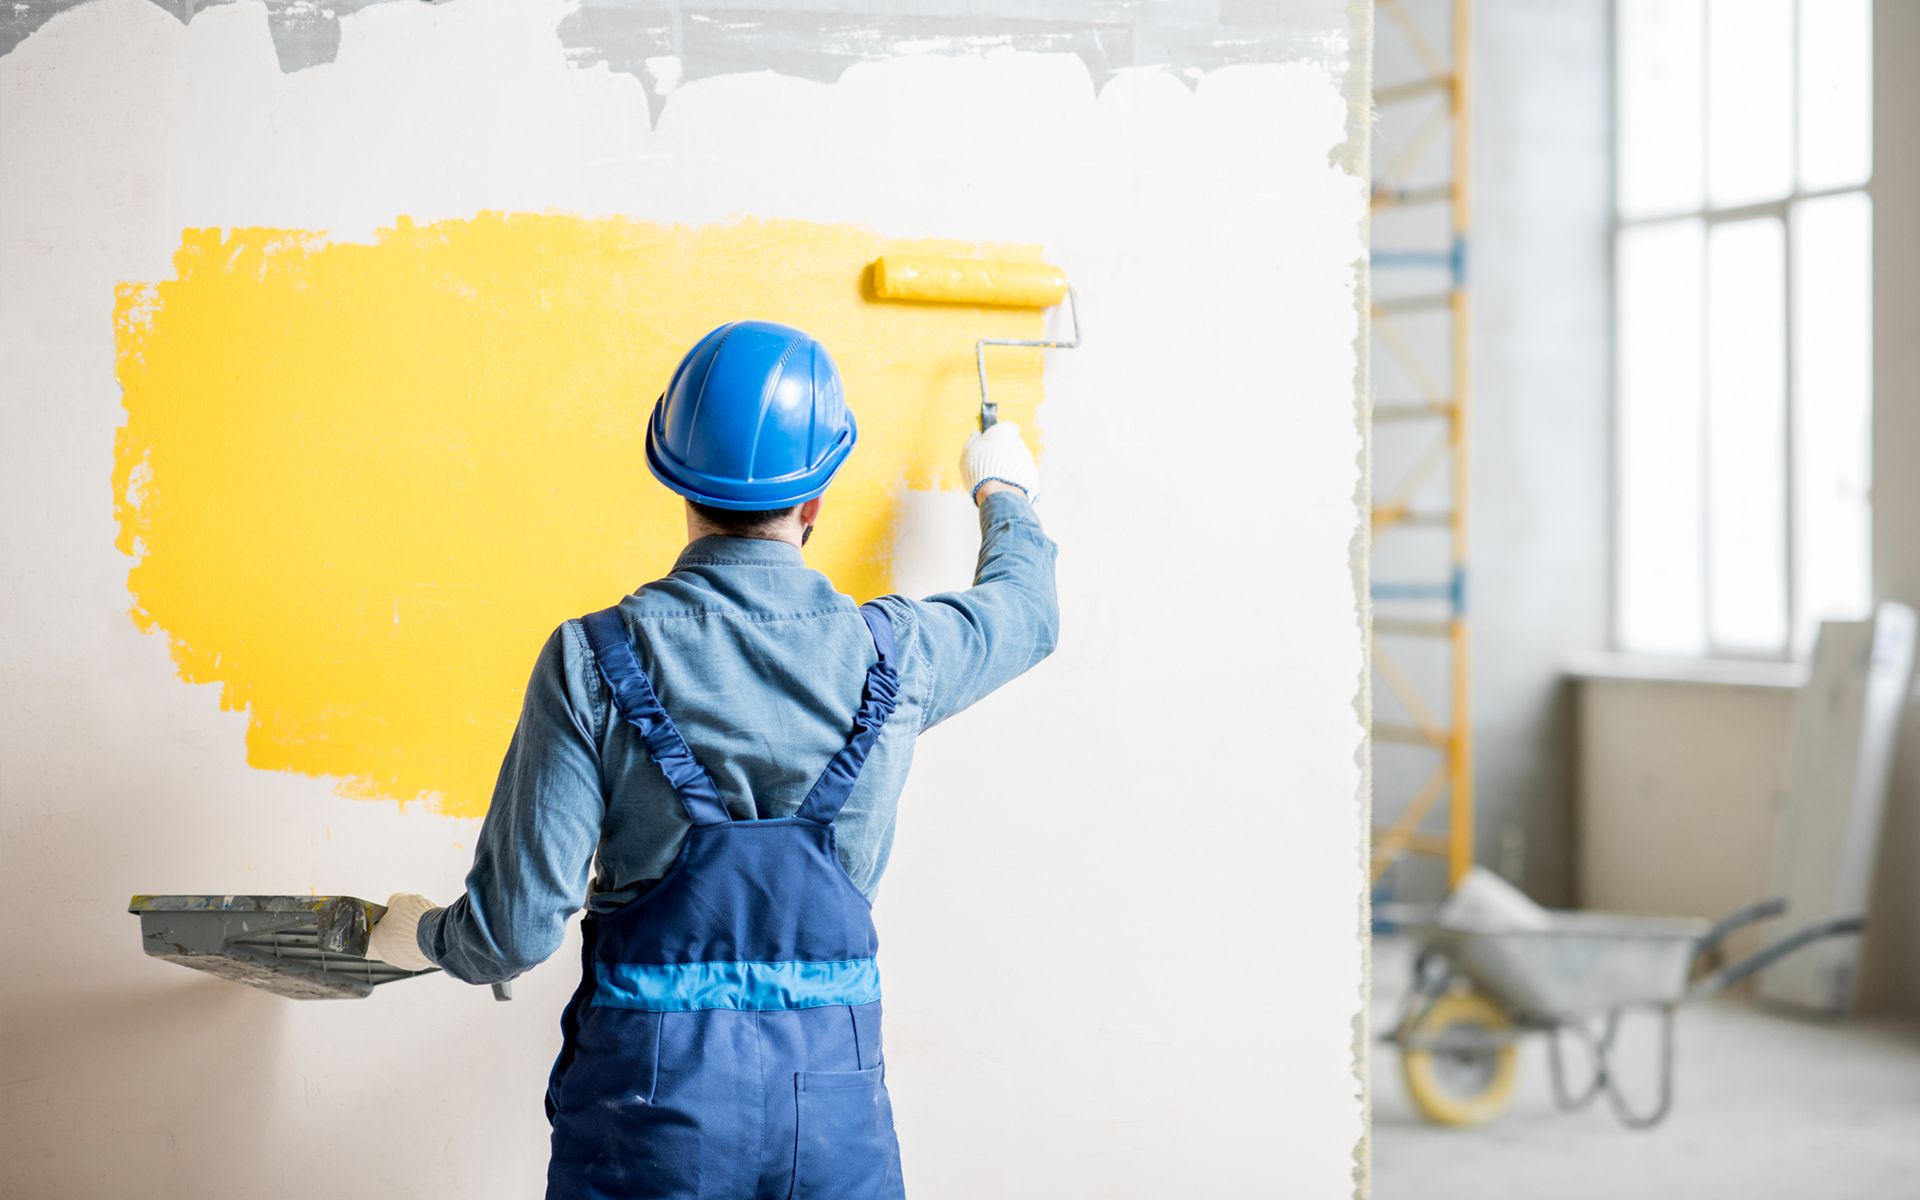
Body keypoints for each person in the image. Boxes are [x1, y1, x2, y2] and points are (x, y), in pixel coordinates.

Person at [365, 319, 1058, 1199]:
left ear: (676, 481)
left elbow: (511, 935)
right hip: (832, 1114)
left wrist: (422, 934)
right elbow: (1028, 613)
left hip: (649, 1118)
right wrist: (1002, 485)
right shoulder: (900, 654)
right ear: (816, 503)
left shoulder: (592, 659)